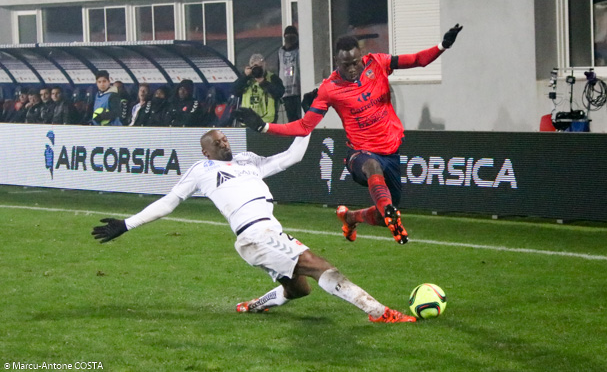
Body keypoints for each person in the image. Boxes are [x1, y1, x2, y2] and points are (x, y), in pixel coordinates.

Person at [91, 130, 415, 323]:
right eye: (217, 142)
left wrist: (308, 122)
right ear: (206, 150)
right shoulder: (202, 169)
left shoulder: (248, 161)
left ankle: (255, 306)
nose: (224, 143)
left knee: (299, 289)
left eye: (224, 138)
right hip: (254, 233)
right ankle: (378, 311)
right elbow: (169, 202)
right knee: (320, 266)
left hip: (269, 231)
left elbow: (291, 157)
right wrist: (127, 224)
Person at [235, 24, 463, 244]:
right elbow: (304, 126)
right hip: (359, 154)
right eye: (346, 65)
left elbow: (417, 60)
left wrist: (442, 46)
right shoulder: (330, 88)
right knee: (373, 168)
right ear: (337, 61)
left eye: (355, 62)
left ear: (361, 56)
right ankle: (388, 212)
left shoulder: (378, 63)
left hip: (391, 152)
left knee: (383, 217)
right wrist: (264, 126)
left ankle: (352, 217)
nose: (352, 68)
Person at [233, 53, 284, 124]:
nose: (257, 70)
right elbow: (234, 91)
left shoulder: (272, 78)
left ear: (264, 66)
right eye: (255, 67)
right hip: (248, 121)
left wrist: (263, 82)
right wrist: (244, 76)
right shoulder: (246, 79)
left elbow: (280, 93)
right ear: (250, 67)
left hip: (267, 122)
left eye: (260, 67)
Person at [278, 26, 302, 122]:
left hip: (299, 92)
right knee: (291, 119)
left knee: (300, 117)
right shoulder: (280, 52)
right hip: (286, 93)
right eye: (288, 36)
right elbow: (279, 69)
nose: (290, 39)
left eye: (293, 36)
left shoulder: (300, 50)